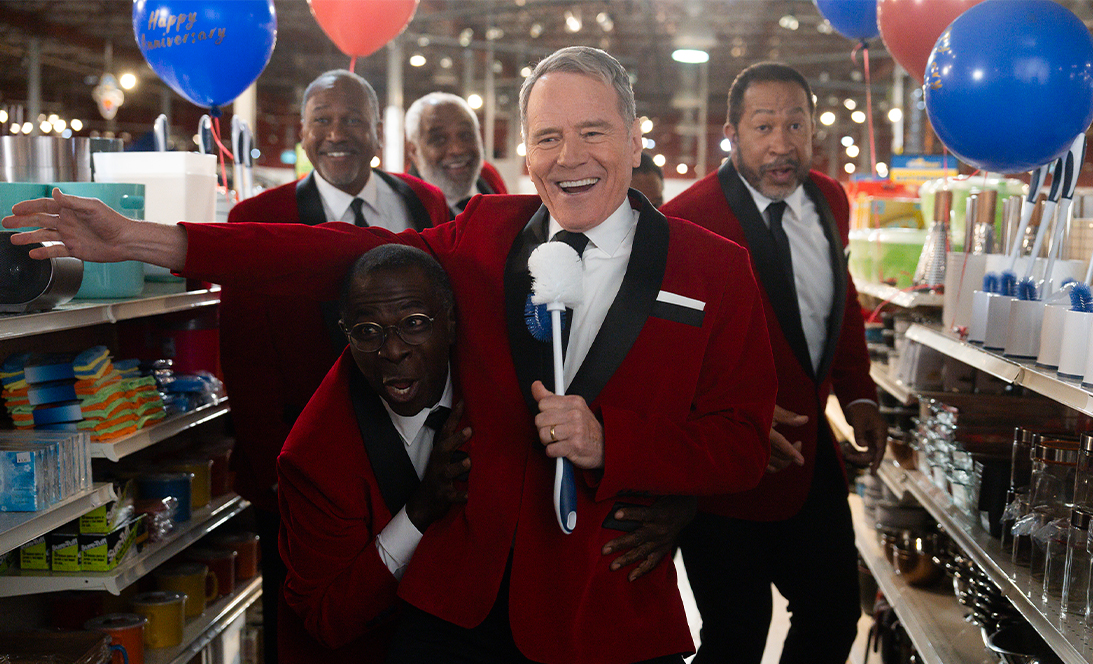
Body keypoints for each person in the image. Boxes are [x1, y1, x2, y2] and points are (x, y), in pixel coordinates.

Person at [6, 46, 776, 664]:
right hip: (456, 610)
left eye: (593, 132)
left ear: (636, 134)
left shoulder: (715, 270)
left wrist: (617, 444)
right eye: (548, 136)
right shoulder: (484, 231)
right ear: (525, 148)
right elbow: (335, 255)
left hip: (605, 616)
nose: (569, 157)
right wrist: (149, 240)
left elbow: (742, 446)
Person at [217, 69, 450, 664]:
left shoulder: (421, 202)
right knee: (310, 628)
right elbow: (245, 358)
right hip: (310, 471)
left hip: (420, 454)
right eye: (322, 120)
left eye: (352, 120)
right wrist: (275, 470)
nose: (336, 134)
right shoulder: (257, 219)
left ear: (379, 133)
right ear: (302, 132)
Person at [661, 62, 886, 664]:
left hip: (814, 466)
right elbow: (663, 357)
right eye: (764, 127)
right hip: (727, 473)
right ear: (732, 133)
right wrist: (730, 422)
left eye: (795, 124)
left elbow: (836, 305)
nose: (782, 144)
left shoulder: (832, 201)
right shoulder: (686, 220)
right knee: (737, 634)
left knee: (835, 619)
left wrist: (859, 393)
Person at [277, 244, 470, 661]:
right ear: (345, 332)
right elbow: (325, 617)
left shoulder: (498, 385)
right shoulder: (314, 459)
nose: (392, 350)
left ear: (451, 323)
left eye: (414, 323)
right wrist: (419, 512)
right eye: (368, 331)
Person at [404, 92, 509, 218]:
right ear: (414, 150)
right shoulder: (403, 207)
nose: (457, 149)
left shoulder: (487, 175)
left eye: (466, 135)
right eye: (439, 139)